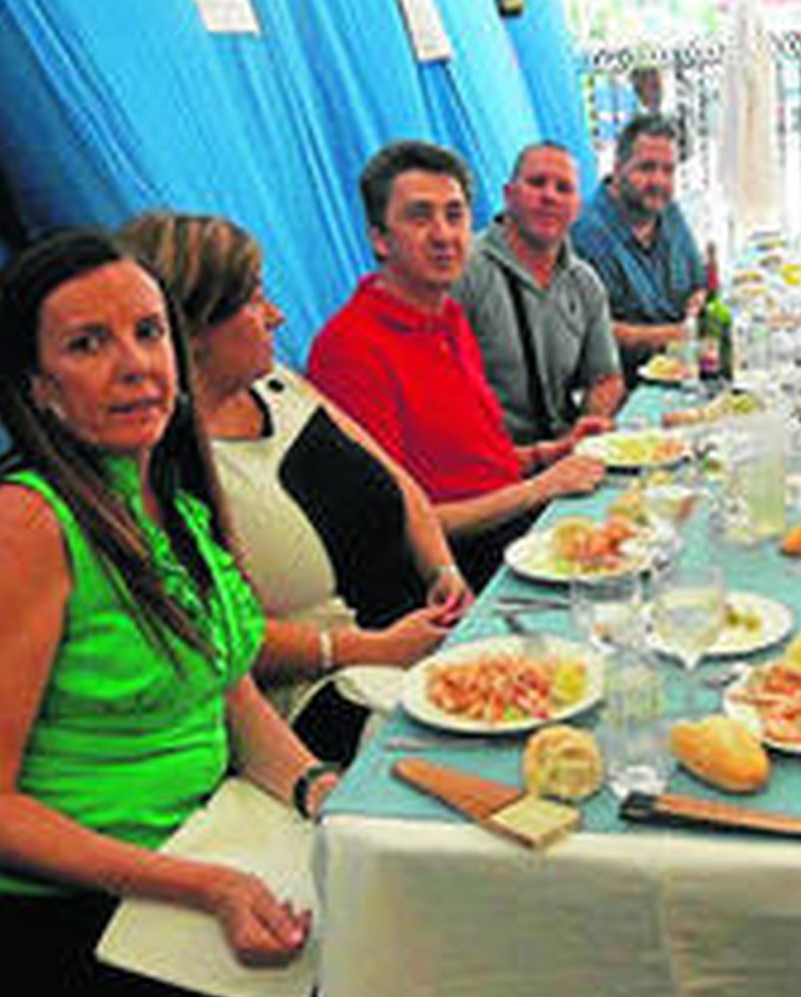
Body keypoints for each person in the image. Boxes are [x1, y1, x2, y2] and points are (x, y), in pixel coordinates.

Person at [0, 229, 334, 997]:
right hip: (60, 916)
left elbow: (228, 689)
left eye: (148, 332)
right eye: (87, 344)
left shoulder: (166, 491)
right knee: (375, 984)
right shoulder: (28, 524)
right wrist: (209, 886)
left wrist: (320, 788)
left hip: (205, 844)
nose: (136, 364)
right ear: (38, 389)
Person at [123, 212, 473, 762]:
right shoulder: (167, 467)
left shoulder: (281, 385)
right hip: (323, 691)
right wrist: (375, 648)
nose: (277, 316)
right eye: (254, 301)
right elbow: (228, 635)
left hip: (413, 633)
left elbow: (399, 484)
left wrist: (444, 573)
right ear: (191, 330)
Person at [307, 140, 605, 588]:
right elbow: (398, 525)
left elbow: (468, 466)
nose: (444, 235)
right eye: (420, 216)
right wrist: (540, 488)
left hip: (513, 526)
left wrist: (549, 453)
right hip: (457, 569)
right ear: (379, 238)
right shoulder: (351, 348)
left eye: (455, 214)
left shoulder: (449, 317)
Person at [458, 141, 625, 444]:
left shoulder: (585, 282)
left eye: (563, 188)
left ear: (577, 208)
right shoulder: (463, 270)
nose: (549, 196)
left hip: (560, 454)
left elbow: (606, 378)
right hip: (485, 464)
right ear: (508, 194)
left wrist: (590, 422)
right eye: (537, 183)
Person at [571, 113, 705, 373]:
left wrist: (698, 302)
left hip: (683, 368)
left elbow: (698, 284)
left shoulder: (669, 212)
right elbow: (592, 332)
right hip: (625, 386)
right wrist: (678, 334)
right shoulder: (585, 233)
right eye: (646, 168)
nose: (658, 181)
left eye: (668, 170)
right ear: (618, 168)